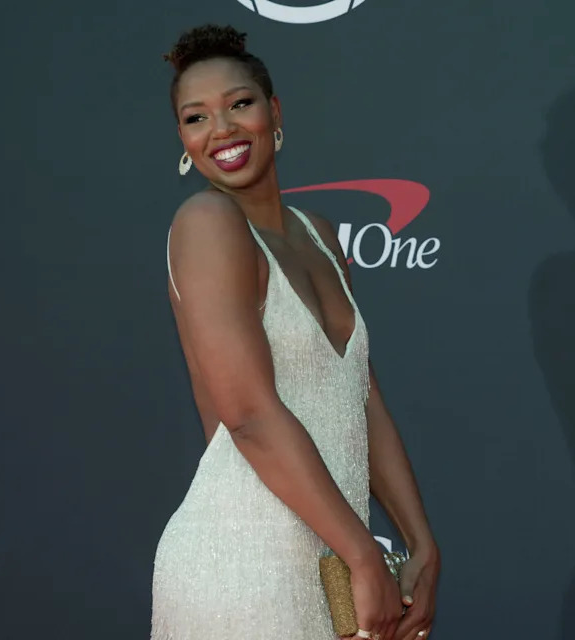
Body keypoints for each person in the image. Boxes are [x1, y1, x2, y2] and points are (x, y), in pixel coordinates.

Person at [153, 24, 440, 640]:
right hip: (242, 565)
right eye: (196, 117)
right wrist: (365, 555)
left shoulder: (320, 235)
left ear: (274, 111)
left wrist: (419, 542)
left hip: (334, 559)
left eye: (239, 104)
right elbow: (249, 413)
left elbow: (360, 398)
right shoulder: (205, 223)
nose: (222, 130)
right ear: (182, 138)